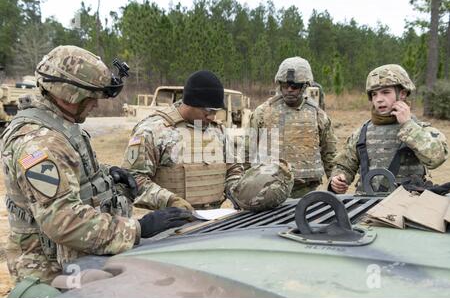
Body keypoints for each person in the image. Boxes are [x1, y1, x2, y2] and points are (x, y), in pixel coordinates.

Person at [0, 45, 192, 284]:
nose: (96, 104)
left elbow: (72, 172)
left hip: (74, 260)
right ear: (69, 94)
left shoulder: (61, 124)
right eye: (92, 97)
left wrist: (106, 173)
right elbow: (63, 220)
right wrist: (138, 229)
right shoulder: (41, 143)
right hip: (48, 273)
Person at [121, 70, 243, 211]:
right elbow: (132, 179)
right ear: (191, 102)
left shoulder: (217, 130)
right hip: (172, 223)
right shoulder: (152, 130)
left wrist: (239, 193)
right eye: (208, 110)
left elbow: (233, 170)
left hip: (213, 223)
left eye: (216, 111)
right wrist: (169, 201)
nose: (212, 117)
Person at [330, 64, 449, 194]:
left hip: (406, 205)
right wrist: (338, 179)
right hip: (365, 206)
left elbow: (437, 158)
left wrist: (408, 125)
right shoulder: (362, 132)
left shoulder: (418, 129)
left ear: (402, 94)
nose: (379, 99)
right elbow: (344, 165)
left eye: (386, 92)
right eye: (374, 94)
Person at [250, 56, 338, 198]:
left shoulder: (318, 115)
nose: (289, 90)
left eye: (295, 86)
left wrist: (335, 181)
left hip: (305, 191)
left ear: (305, 86)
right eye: (285, 85)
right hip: (268, 189)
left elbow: (330, 154)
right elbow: (249, 151)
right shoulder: (262, 113)